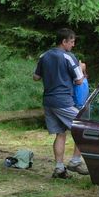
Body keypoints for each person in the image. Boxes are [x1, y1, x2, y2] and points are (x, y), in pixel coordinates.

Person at [34, 28, 89, 179]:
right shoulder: (68, 57)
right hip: (63, 101)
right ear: (64, 41)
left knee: (60, 133)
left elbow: (36, 77)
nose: (73, 45)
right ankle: (75, 161)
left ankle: (59, 168)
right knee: (84, 126)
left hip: (48, 101)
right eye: (71, 42)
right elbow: (79, 81)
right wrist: (82, 69)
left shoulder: (44, 56)